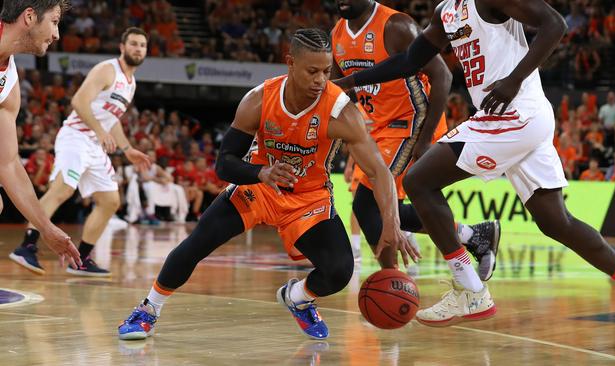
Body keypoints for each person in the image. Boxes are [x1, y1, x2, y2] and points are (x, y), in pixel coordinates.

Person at [335, 0, 615, 346]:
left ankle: (469, 288)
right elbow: (411, 60)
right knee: (557, 222)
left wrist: (514, 80)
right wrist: (350, 80)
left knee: (418, 181)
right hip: (517, 120)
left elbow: (555, 24)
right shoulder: (446, 12)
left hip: (515, 114)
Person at [117, 28, 415, 341]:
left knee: (340, 271)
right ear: (291, 63)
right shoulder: (259, 100)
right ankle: (148, 309)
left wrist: (392, 222)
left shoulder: (342, 112)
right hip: (260, 188)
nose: (320, 80)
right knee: (197, 243)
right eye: (312, 71)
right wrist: (261, 174)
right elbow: (224, 163)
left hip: (308, 199)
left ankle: (298, 298)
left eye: (326, 72)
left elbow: (379, 171)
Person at [332, 0, 500, 279]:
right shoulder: (337, 33)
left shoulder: (396, 26)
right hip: (378, 130)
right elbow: (340, 93)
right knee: (383, 205)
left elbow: (443, 75)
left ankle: (391, 281)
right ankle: (475, 235)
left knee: (367, 203)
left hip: (412, 120)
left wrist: (423, 140)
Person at [10, 27, 151, 276]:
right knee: (62, 189)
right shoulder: (108, 69)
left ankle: (82, 260)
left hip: (95, 145)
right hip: (76, 137)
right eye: (133, 44)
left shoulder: (131, 84)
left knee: (110, 201)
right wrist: (99, 131)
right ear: (122, 47)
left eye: (142, 45)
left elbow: (113, 119)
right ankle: (27, 246)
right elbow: (79, 101)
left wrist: (128, 149)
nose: (138, 48)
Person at [0, 0, 81, 269]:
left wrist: (45, 227)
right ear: (30, 16)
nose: (57, 34)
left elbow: (9, 163)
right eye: (55, 22)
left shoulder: (9, 84)